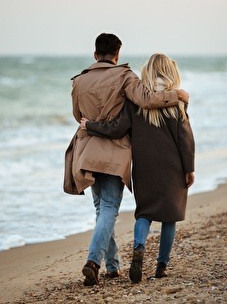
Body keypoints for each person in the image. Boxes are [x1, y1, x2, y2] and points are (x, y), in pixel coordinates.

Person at [63, 34, 189, 287]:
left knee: (102, 210)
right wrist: (177, 96)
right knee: (108, 209)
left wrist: (92, 122)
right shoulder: (125, 76)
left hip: (87, 149)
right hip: (114, 152)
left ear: (95, 54)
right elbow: (146, 100)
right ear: (118, 54)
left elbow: (78, 115)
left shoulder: (79, 81)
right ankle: (93, 262)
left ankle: (112, 266)